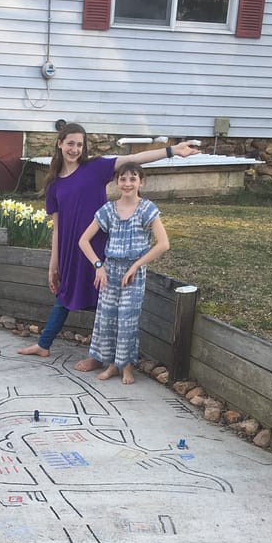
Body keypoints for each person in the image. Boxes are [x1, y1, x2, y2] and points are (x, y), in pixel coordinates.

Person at [17, 124, 198, 369]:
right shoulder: (53, 185)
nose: (75, 149)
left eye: (80, 144)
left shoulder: (95, 168)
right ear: (60, 144)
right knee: (65, 294)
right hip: (73, 248)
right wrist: (54, 263)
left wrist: (172, 150)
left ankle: (102, 355)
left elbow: (134, 158)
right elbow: (57, 228)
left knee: (103, 300)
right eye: (70, 143)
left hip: (100, 245)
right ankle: (44, 344)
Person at [78, 162, 169, 384]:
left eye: (133, 179)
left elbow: (163, 244)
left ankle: (126, 366)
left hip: (133, 273)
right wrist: (99, 266)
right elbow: (83, 240)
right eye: (123, 179)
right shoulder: (109, 209)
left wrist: (137, 265)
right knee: (108, 319)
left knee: (127, 319)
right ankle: (111, 365)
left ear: (141, 182)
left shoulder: (147, 209)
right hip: (110, 271)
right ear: (117, 182)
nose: (127, 183)